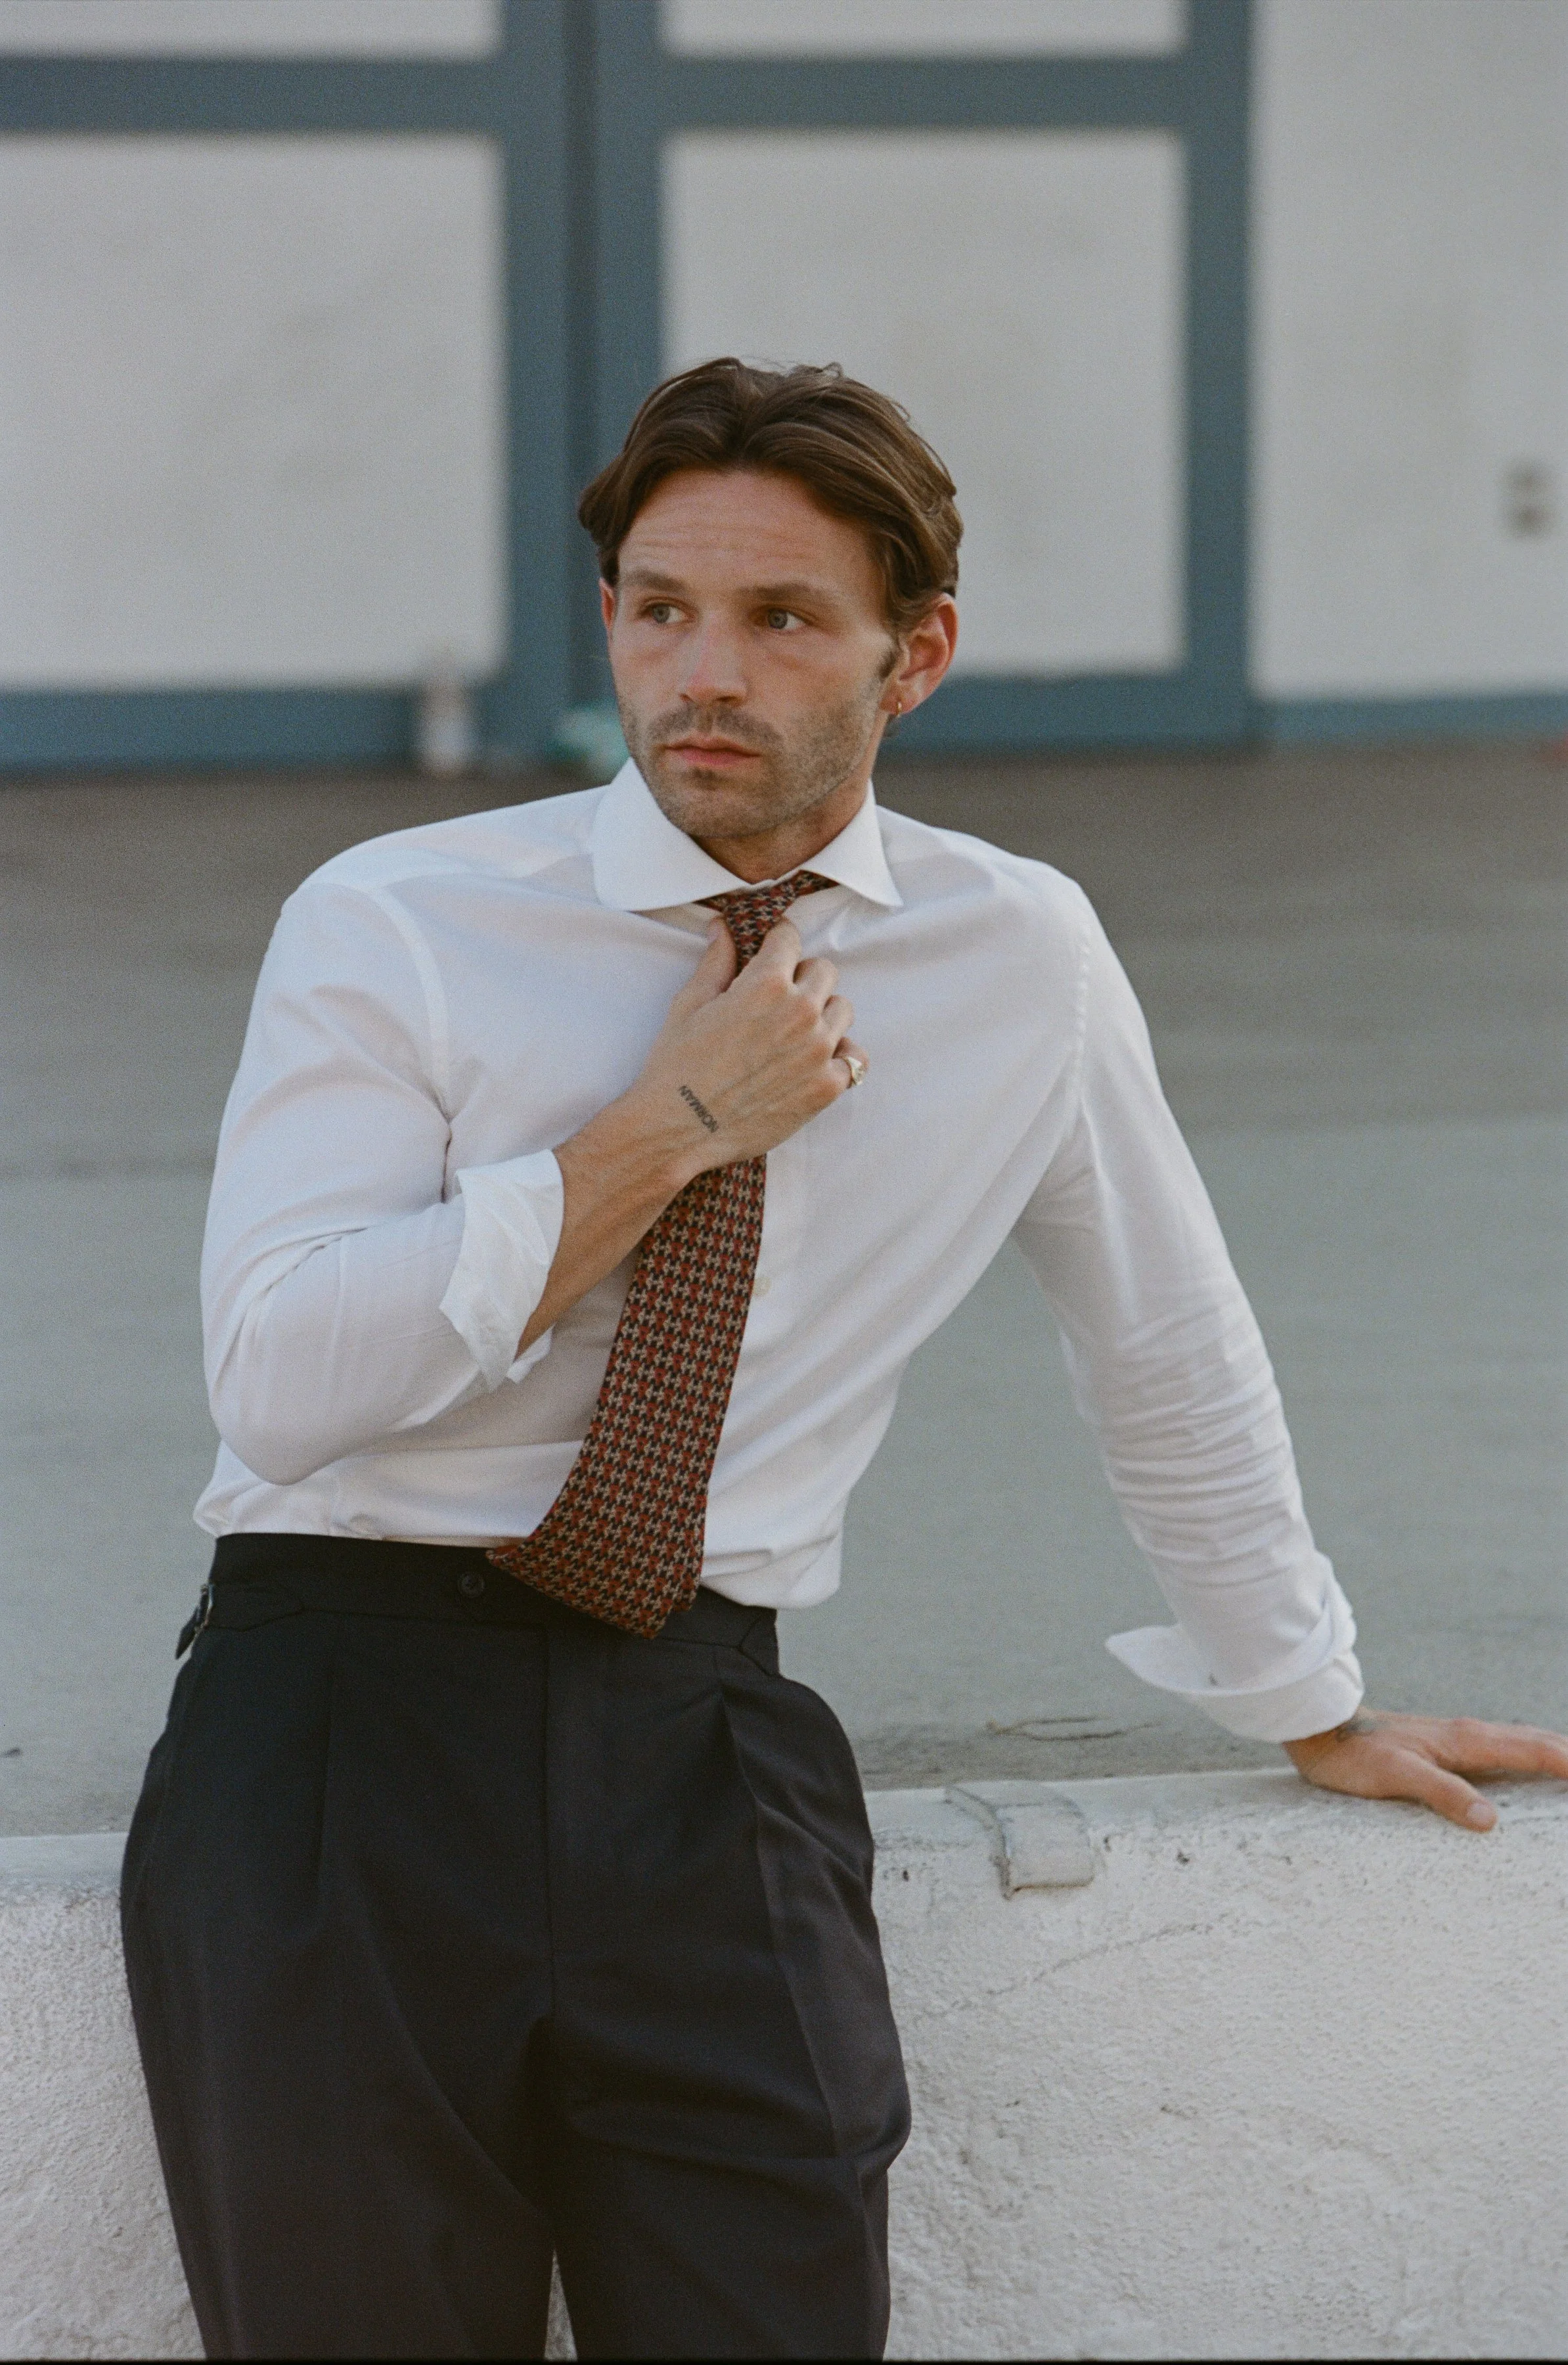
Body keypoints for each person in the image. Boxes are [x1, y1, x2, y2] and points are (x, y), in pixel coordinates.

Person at [122, 359, 1568, 2362]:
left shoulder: (1021, 954)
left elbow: (1163, 1335)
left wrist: (1304, 1692)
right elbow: (280, 1378)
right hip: (340, 1727)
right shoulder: (404, 920)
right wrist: (663, 1133)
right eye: (657, 609)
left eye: (783, 619)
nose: (702, 672)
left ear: (918, 655)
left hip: (707, 1744)